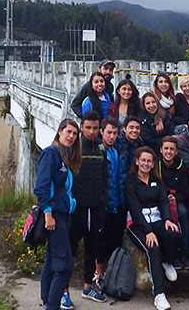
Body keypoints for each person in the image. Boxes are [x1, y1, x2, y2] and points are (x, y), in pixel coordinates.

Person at [125, 146, 181, 310]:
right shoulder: (131, 182)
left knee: (173, 234)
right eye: (143, 160)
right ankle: (159, 294)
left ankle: (168, 261)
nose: (146, 163)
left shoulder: (157, 180)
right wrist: (147, 231)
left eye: (149, 161)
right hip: (137, 224)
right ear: (137, 161)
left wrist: (167, 220)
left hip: (156, 219)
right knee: (153, 248)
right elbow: (134, 209)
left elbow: (164, 201)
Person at [61, 111, 108, 309]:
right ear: (82, 128)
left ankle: (88, 286)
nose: (91, 131)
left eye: (95, 128)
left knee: (92, 249)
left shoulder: (101, 148)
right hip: (76, 209)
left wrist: (103, 203)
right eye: (87, 128)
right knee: (69, 250)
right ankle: (63, 292)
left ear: (99, 129)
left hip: (96, 208)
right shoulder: (72, 148)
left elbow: (105, 176)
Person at [35, 119, 82, 310]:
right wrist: (48, 213)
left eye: (74, 134)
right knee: (64, 266)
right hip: (54, 215)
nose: (71, 136)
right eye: (68, 132)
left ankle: (47, 301)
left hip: (65, 214)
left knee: (51, 260)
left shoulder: (67, 156)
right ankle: (52, 305)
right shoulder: (51, 154)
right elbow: (41, 187)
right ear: (60, 132)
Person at [157, 136, 189, 270]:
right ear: (161, 150)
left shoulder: (181, 166)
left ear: (176, 151)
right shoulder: (156, 165)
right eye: (166, 148)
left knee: (183, 213)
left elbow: (185, 190)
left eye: (171, 149)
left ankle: (186, 254)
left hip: (176, 199)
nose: (168, 152)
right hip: (159, 200)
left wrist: (175, 198)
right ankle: (169, 256)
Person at [98, 117, 130, 277]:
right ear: (102, 132)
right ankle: (99, 274)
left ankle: (111, 274)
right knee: (101, 242)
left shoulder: (120, 150)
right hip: (104, 204)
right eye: (109, 132)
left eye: (115, 133)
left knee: (115, 240)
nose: (112, 136)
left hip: (119, 202)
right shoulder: (98, 150)